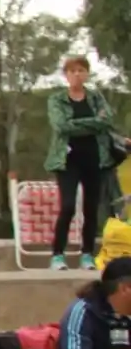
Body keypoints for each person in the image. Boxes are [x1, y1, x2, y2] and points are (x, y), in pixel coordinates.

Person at [46, 56, 125, 270]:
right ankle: (57, 255)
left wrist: (82, 124)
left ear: (87, 73)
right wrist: (94, 123)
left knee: (91, 209)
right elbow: (61, 126)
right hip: (67, 160)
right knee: (68, 206)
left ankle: (87, 254)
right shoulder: (57, 99)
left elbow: (107, 120)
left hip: (95, 158)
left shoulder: (96, 97)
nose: (77, 75)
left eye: (81, 70)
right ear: (66, 75)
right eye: (72, 71)